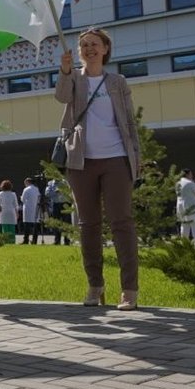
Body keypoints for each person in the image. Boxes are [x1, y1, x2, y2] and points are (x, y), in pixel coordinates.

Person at [55, 28, 144, 309]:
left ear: (106, 49)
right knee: (88, 225)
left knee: (122, 223)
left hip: (116, 158)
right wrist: (65, 71)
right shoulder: (75, 79)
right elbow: (61, 97)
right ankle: (95, 286)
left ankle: (129, 289)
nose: (89, 49)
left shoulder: (117, 81)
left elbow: (129, 122)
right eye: (84, 45)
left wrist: (136, 156)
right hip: (81, 161)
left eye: (94, 44)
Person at [176, 173, 195, 241]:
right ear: (187, 175)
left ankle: (184, 243)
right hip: (191, 206)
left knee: (184, 226)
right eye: (191, 174)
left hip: (181, 206)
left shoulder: (178, 184)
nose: (191, 176)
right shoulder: (190, 183)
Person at [20, 177, 42, 245]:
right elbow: (39, 198)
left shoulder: (26, 189)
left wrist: (20, 197)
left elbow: (23, 199)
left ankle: (26, 240)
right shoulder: (37, 189)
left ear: (27, 182)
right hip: (35, 209)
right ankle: (34, 240)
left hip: (28, 209)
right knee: (35, 225)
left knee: (27, 225)